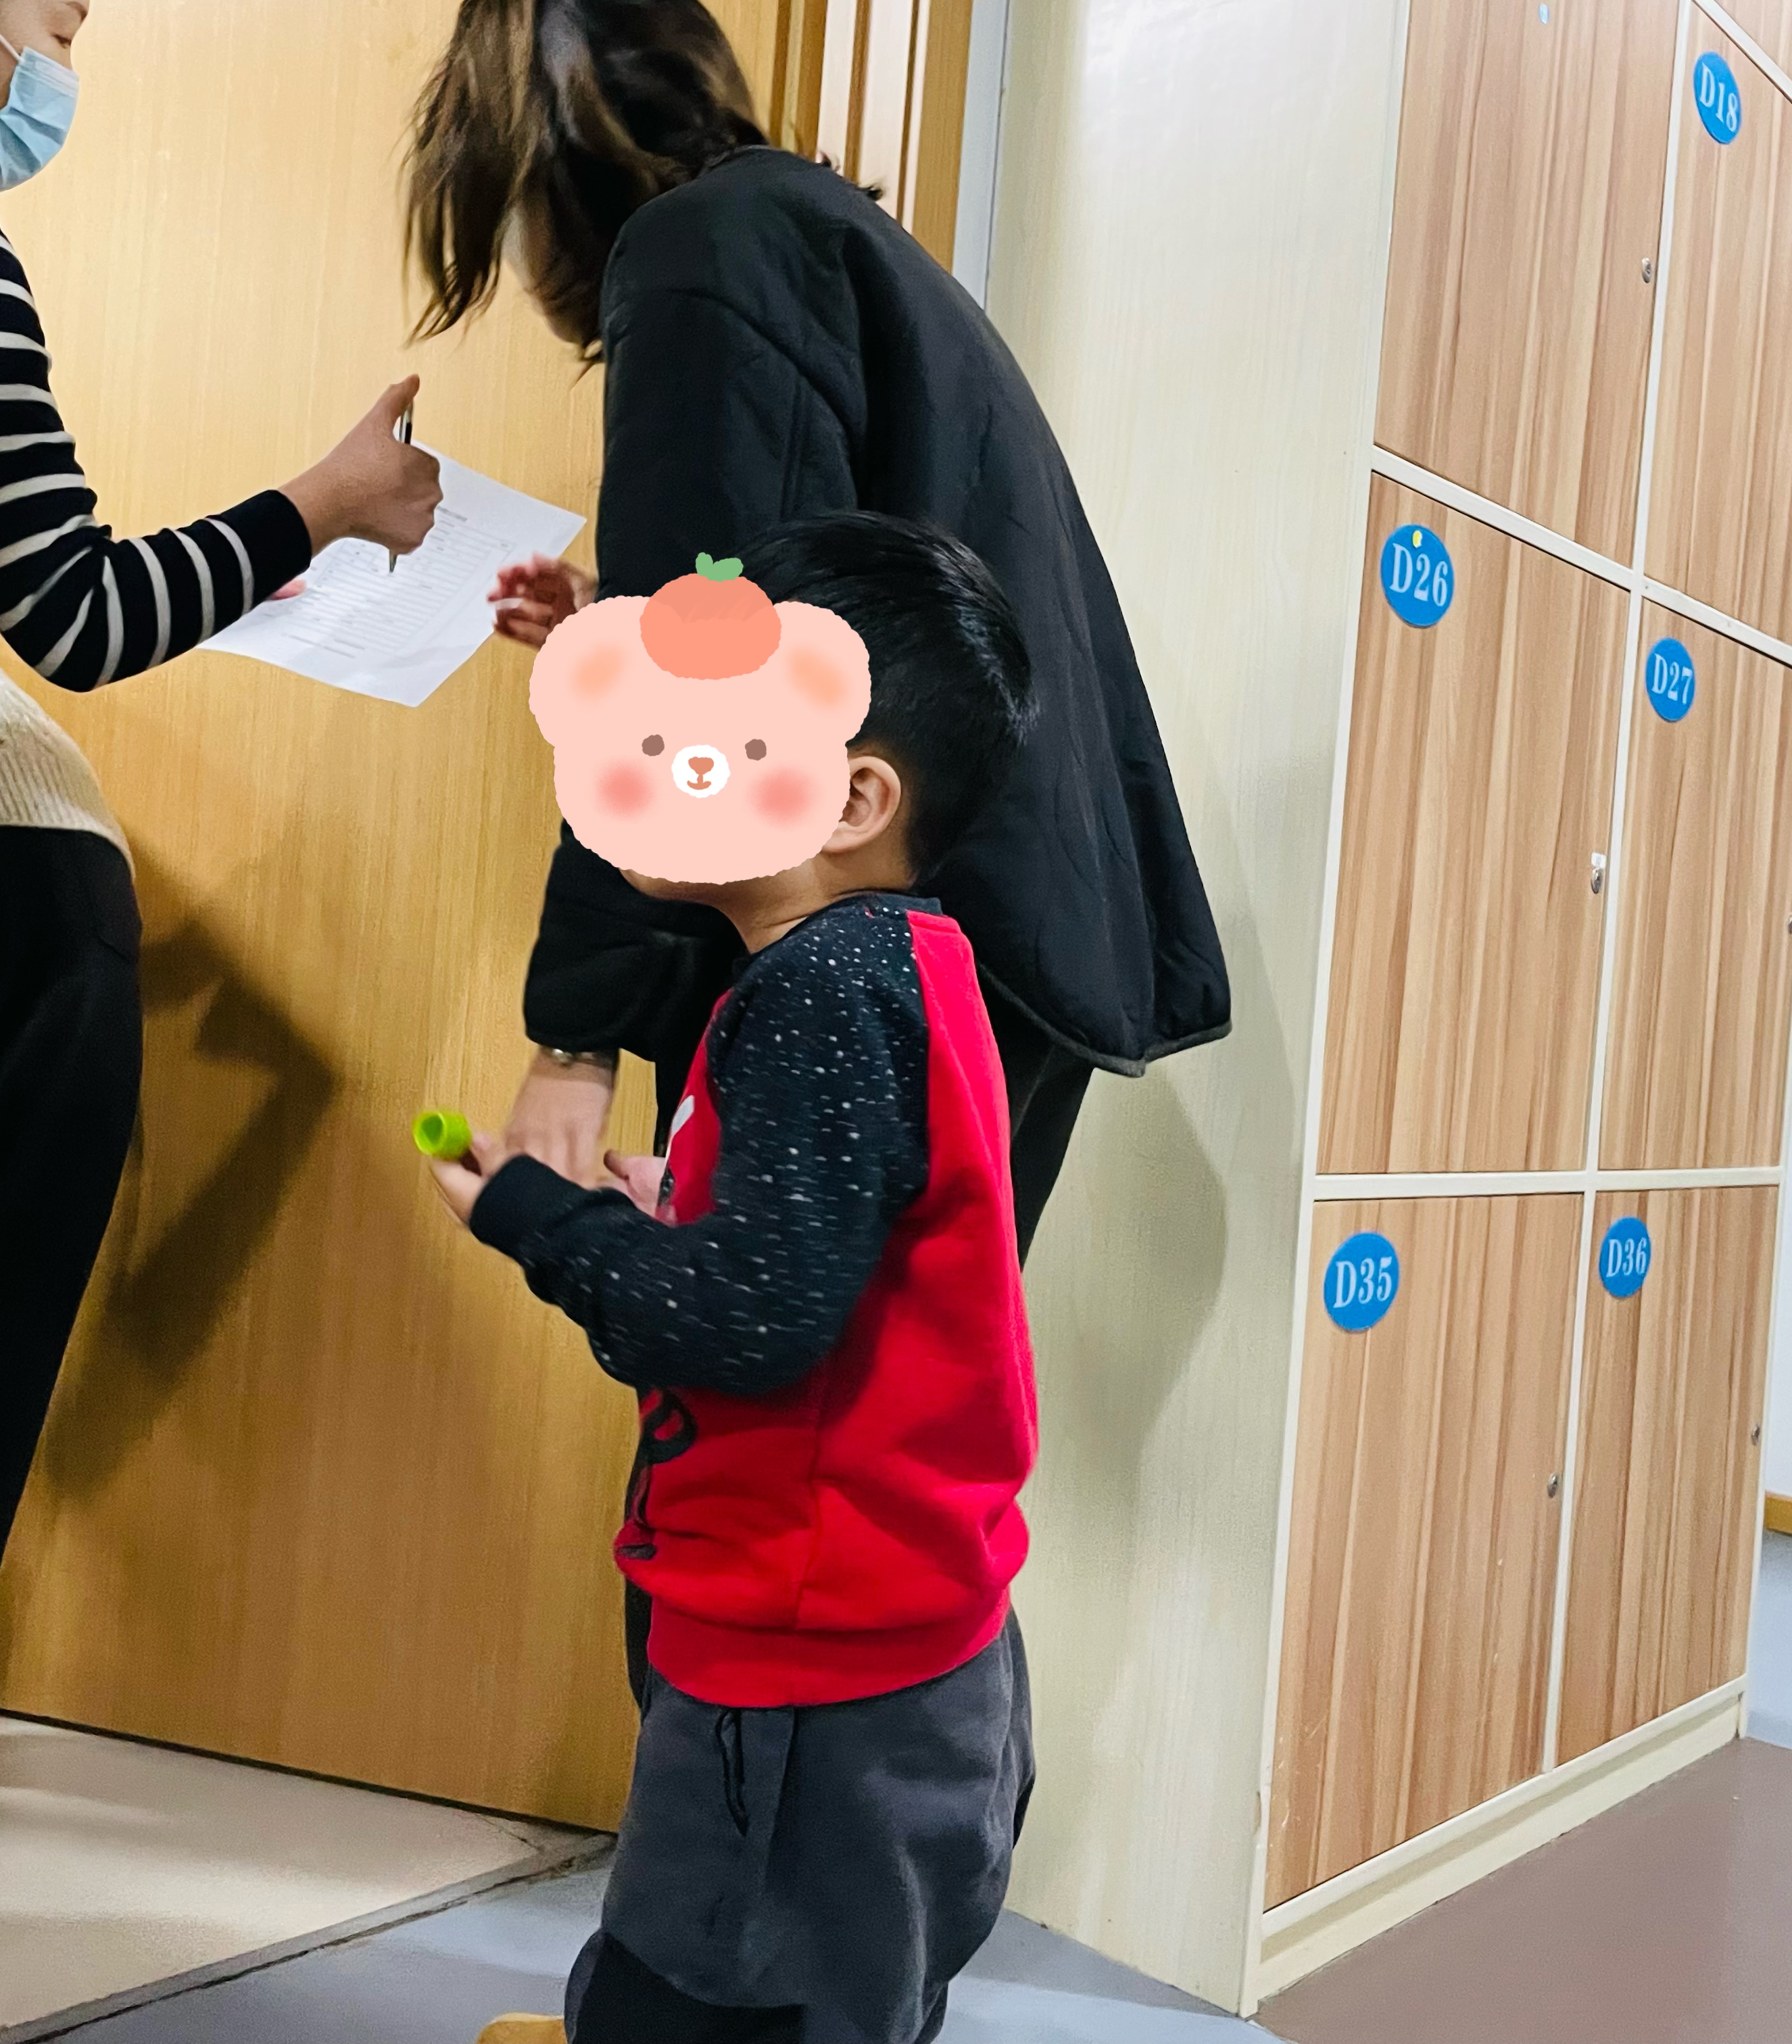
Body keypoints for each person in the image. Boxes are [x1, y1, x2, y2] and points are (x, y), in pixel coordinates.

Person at [0, 0, 440, 1795]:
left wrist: (309, 519)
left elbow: (33, 590)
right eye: (61, 20)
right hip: (31, 852)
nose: (65, 65)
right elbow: (66, 611)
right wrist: (321, 507)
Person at [404, 0, 1230, 1264]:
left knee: (773, 1366)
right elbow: (802, 596)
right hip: (996, 926)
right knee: (895, 1365)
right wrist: (620, 609)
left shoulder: (698, 252)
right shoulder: (810, 235)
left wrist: (576, 1040)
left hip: (890, 942)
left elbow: (700, 674)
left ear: (532, 156)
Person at [435, 514, 1038, 2044]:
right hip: (895, 1635)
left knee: (704, 1996)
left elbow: (746, 1325)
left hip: (804, 1666)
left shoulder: (818, 993)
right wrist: (680, 1203)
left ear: (853, 798)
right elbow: (841, 1242)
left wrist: (536, 1217)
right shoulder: (902, 962)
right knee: (825, 1986)